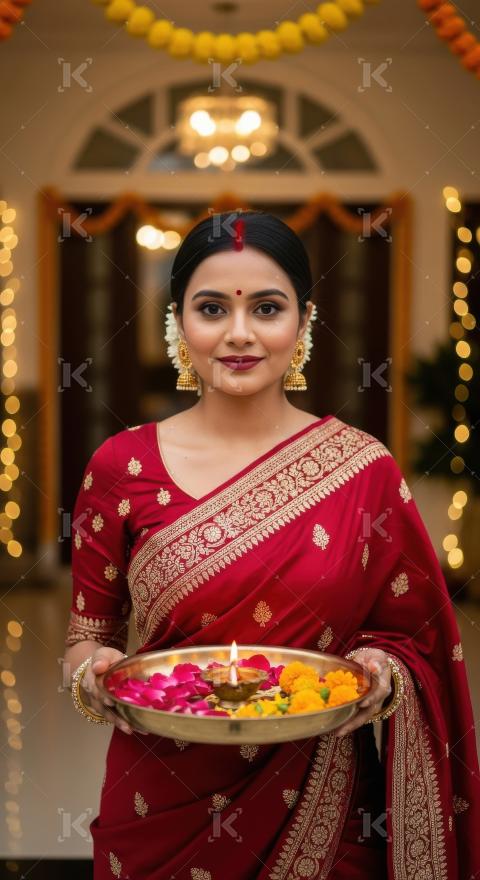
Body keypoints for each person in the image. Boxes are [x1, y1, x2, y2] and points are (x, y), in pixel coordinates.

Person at [64, 211, 480, 880]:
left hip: (329, 800)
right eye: (210, 308)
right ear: (178, 322)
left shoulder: (362, 470)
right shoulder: (120, 466)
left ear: (304, 320)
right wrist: (94, 673)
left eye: (266, 307)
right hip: (160, 803)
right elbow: (87, 638)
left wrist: (379, 671)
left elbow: (417, 637)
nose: (239, 334)